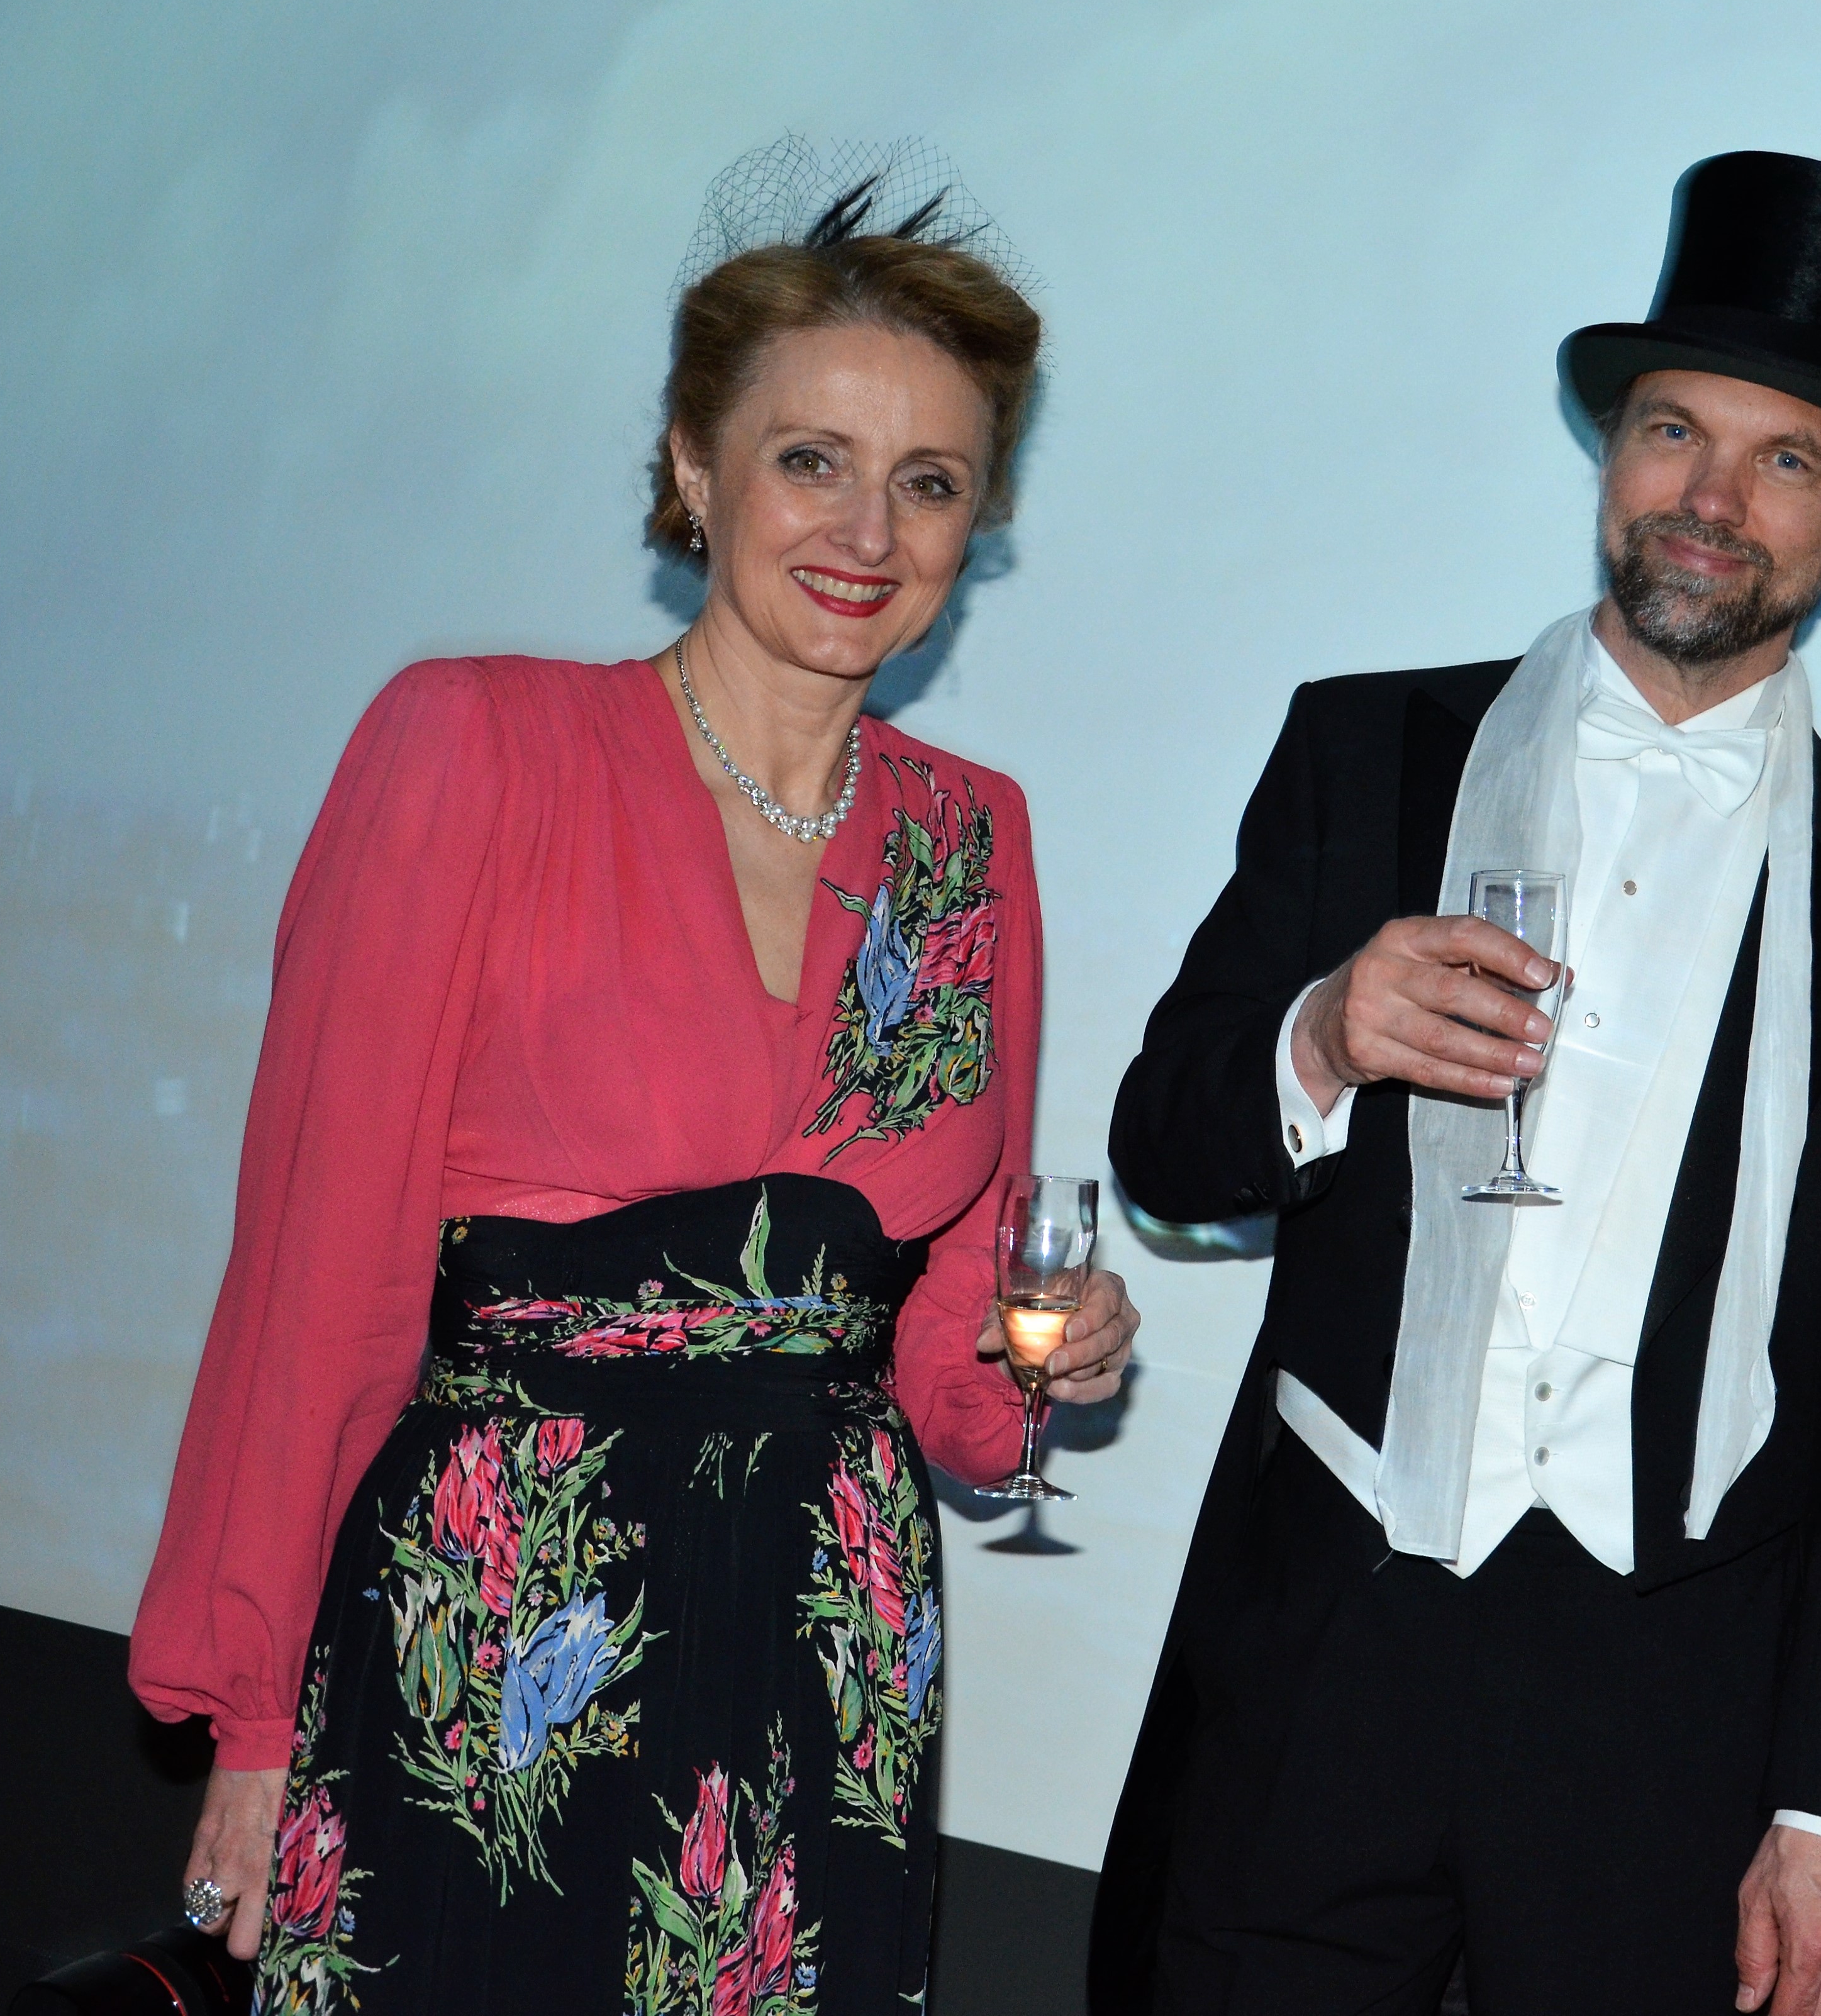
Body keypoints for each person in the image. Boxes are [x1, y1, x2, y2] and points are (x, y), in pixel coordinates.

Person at [126, 145, 1140, 2012]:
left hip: (827, 1647)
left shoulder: (969, 839)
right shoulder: (478, 746)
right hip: (497, 1632)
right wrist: (258, 1716)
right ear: (693, 466)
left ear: (975, 522)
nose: (869, 530)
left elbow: (944, 1346)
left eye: (931, 482)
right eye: (811, 459)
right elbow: (318, 1274)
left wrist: (1045, 1356)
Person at [1087, 152, 1821, 2016]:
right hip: (1320, 1653)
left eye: (1785, 461)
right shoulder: (1362, 748)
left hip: (1672, 1712)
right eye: (1674, 431)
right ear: (1610, 457)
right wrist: (1319, 1036)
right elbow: (1165, 1149)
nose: (1711, 497)